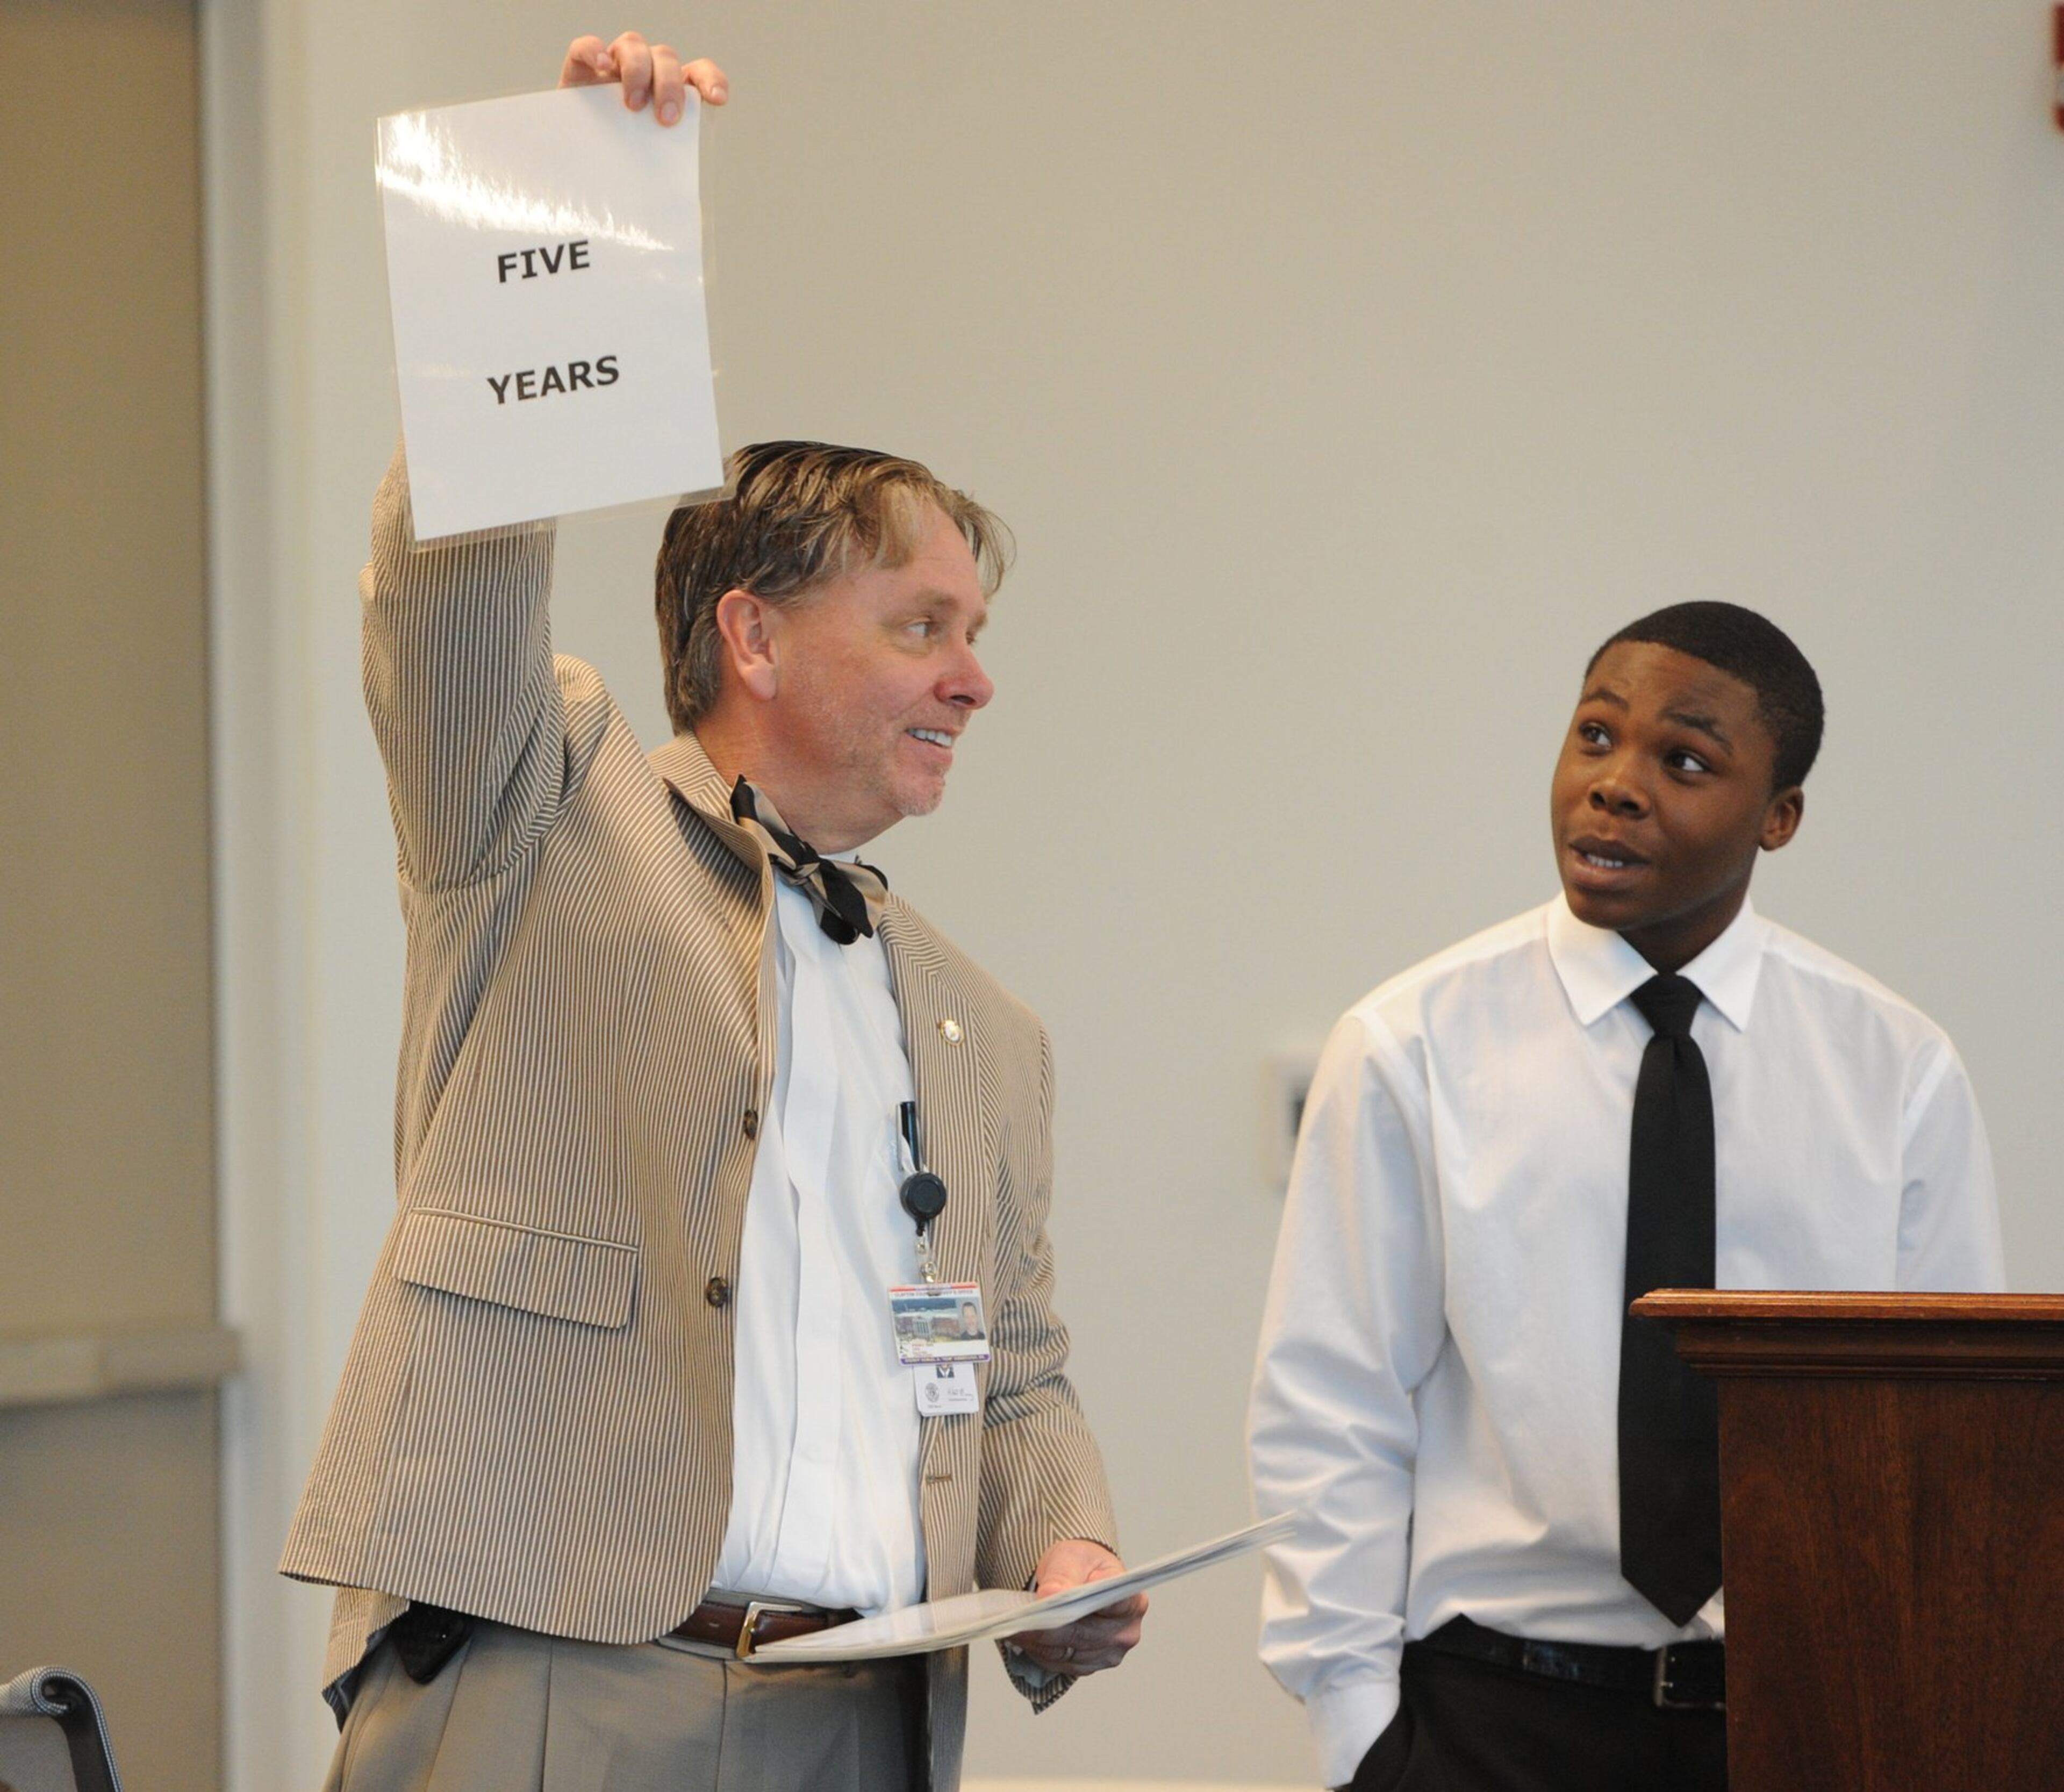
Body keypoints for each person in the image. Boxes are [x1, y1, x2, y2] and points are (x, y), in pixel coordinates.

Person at [281, 33, 1143, 1792]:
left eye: (979, 635)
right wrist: (570, 205)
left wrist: (1065, 1549)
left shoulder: (988, 1030)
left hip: (871, 1722)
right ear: (752, 635)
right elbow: (444, 583)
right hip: (563, 1687)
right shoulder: (545, 811)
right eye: (922, 625)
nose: (976, 680)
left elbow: (1010, 1367)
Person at [1248, 601, 2002, 1792]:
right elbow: (1331, 1402)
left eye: (1685, 760)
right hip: (1491, 1714)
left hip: (1807, 1712)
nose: (1614, 785)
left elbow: (1951, 1440)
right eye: (1595, 736)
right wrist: (1358, 1731)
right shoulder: (1411, 1043)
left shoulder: (1894, 1070)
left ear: (1780, 815)